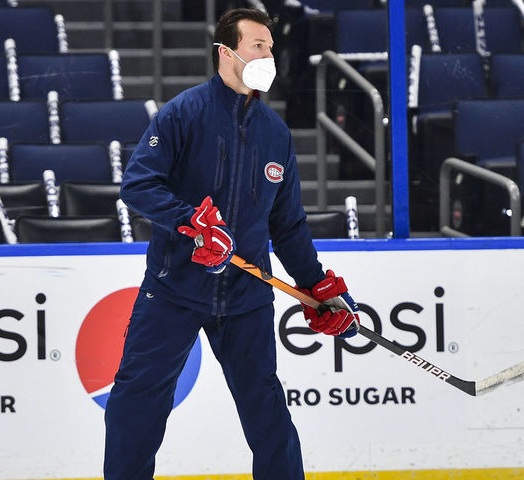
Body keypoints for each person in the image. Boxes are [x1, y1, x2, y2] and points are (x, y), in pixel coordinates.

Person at [104, 8, 361, 480]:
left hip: (247, 297)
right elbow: (138, 185)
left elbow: (287, 224)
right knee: (136, 402)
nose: (268, 55)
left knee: (267, 410)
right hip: (175, 288)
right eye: (257, 46)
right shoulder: (183, 114)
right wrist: (192, 224)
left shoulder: (275, 133)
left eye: (270, 47)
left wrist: (319, 285)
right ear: (226, 53)